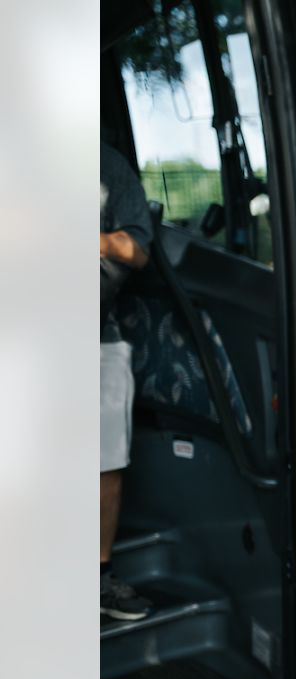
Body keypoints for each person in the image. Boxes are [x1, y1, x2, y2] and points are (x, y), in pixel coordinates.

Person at [100, 141, 153, 621]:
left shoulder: (104, 163)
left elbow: (137, 249)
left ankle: (98, 579)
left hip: (97, 334)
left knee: (106, 463)